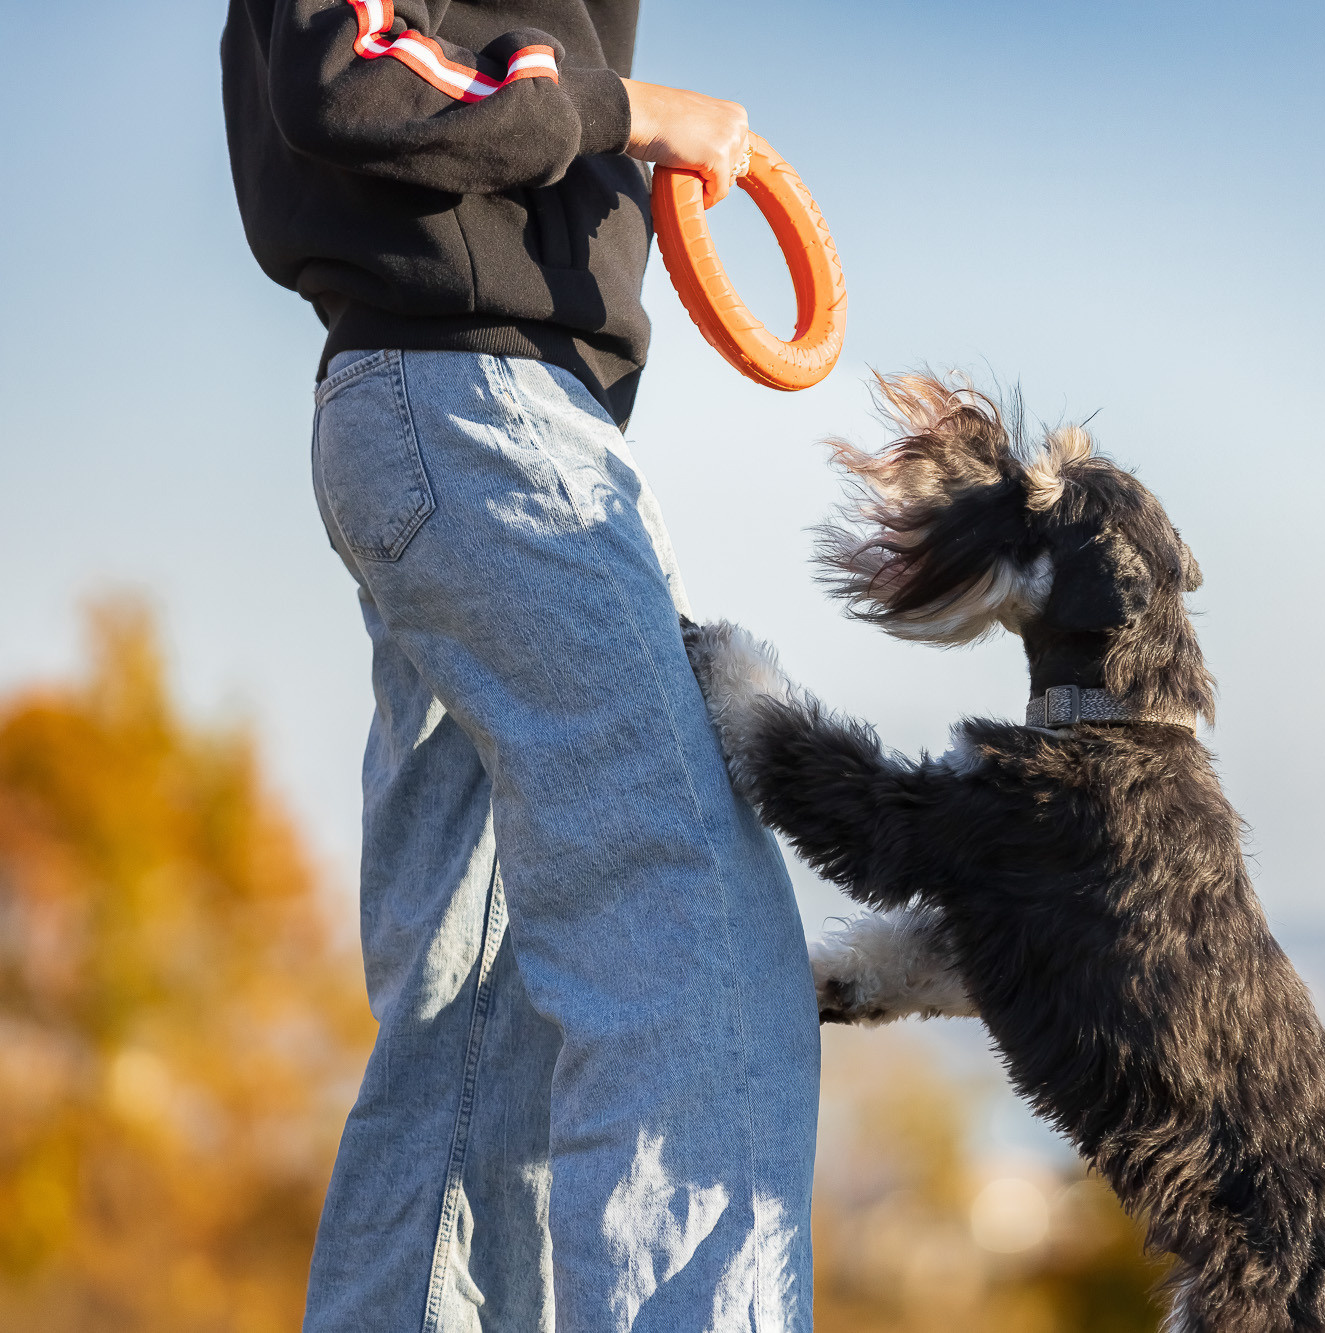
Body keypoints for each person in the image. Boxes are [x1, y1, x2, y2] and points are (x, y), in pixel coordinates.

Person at [219, 5, 821, 1331]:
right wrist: (628, 110)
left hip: (461, 412)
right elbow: (352, 73)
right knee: (694, 937)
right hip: (481, 411)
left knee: (473, 1024)